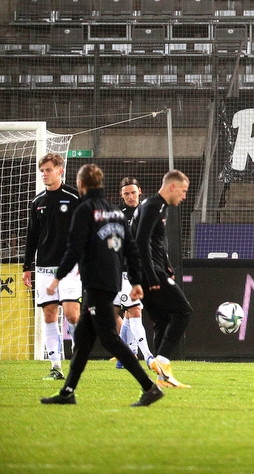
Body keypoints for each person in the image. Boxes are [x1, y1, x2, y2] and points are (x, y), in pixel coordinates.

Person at [40, 164, 163, 407]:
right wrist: (137, 280)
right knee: (84, 343)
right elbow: (132, 249)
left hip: (96, 283)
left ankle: (150, 387)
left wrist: (57, 277)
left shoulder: (85, 210)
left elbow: (74, 248)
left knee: (110, 339)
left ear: (81, 184)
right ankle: (67, 392)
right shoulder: (114, 212)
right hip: (113, 281)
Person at [131, 169, 193, 388]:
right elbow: (139, 242)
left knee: (162, 320)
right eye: (183, 191)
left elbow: (155, 242)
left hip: (152, 270)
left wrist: (166, 265)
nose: (184, 196)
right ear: (172, 187)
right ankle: (163, 363)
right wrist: (151, 276)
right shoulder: (153, 206)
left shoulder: (153, 206)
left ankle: (161, 378)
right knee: (184, 311)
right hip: (150, 273)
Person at [22, 152, 81, 380]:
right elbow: (32, 236)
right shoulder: (37, 202)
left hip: (70, 266)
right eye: (42, 171)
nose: (44, 175)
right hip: (44, 266)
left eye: (48, 170)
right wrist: (27, 266)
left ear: (60, 170)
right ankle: (56, 367)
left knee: (71, 315)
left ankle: (77, 358)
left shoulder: (75, 197)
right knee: (48, 315)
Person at [112, 177, 156, 369]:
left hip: (141, 270)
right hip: (122, 271)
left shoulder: (148, 212)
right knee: (126, 312)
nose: (130, 196)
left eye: (133, 192)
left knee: (132, 311)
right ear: (121, 195)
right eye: (126, 193)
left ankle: (132, 354)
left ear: (140, 190)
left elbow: (157, 239)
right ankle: (139, 354)